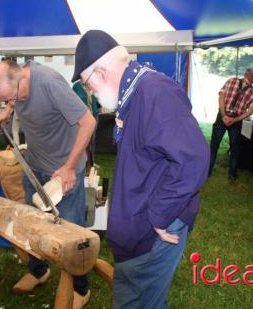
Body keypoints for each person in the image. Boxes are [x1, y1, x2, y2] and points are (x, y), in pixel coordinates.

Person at [72, 30, 209, 309]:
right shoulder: (134, 94)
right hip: (140, 228)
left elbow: (193, 158)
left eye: (88, 85)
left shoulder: (155, 92)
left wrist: (159, 215)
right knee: (147, 298)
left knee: (137, 301)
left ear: (100, 72)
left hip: (153, 231)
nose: (92, 94)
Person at [0, 59, 96, 308]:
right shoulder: (17, 88)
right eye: (3, 100)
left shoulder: (49, 83)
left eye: (9, 98)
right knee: (33, 225)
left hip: (63, 172)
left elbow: (88, 122)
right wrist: (7, 110)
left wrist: (69, 168)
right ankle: (39, 272)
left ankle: (81, 289)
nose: (9, 102)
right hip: (34, 166)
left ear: (21, 79)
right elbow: (15, 101)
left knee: (73, 234)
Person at [209, 67, 253, 181]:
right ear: (252, 77)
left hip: (222, 115)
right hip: (236, 119)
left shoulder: (231, 81)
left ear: (246, 74)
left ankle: (207, 171)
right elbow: (250, 111)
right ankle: (232, 174)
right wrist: (235, 120)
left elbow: (221, 97)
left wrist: (223, 115)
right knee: (235, 148)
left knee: (214, 145)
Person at [72, 80, 99, 167]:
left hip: (94, 116)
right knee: (83, 139)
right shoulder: (76, 87)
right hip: (82, 117)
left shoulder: (93, 84)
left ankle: (91, 163)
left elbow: (97, 101)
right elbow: (73, 101)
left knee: (91, 141)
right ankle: (81, 162)